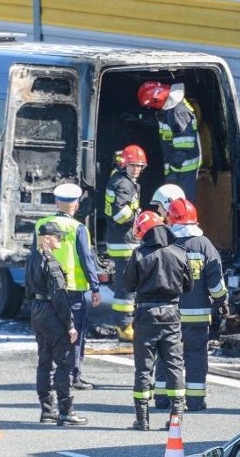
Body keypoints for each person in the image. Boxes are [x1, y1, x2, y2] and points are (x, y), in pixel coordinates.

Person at [151, 196, 228, 412]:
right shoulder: (204, 245)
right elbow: (216, 281)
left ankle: (163, 398)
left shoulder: (164, 243)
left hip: (168, 315)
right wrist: (222, 301)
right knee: (195, 357)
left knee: (167, 354)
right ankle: (195, 401)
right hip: (198, 317)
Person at [122, 210, 193, 430]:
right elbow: (188, 286)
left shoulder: (139, 254)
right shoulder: (180, 253)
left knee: (143, 368)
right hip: (171, 315)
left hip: (145, 316)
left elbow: (128, 284)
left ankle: (142, 419)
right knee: (174, 366)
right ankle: (176, 418)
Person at [34, 182, 102, 391]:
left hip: (46, 290)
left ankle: (50, 373)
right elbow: (86, 258)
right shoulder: (78, 228)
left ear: (56, 202)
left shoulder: (40, 224)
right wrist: (95, 286)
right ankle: (73, 375)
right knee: (75, 332)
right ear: (76, 205)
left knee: (49, 333)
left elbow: (34, 258)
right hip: (72, 289)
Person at [25, 221, 88, 426]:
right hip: (52, 313)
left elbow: (27, 289)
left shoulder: (32, 259)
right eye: (58, 237)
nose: (60, 240)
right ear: (47, 239)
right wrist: (70, 325)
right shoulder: (50, 263)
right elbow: (60, 297)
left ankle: (46, 410)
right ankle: (66, 411)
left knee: (44, 363)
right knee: (64, 363)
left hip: (37, 311)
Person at [104, 144, 147, 342]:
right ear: (124, 165)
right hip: (125, 242)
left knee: (127, 285)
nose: (136, 169)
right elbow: (120, 214)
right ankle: (123, 326)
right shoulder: (124, 184)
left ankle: (126, 323)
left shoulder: (119, 179)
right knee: (126, 288)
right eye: (133, 165)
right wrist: (139, 220)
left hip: (122, 241)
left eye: (139, 166)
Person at [137, 81, 201, 201]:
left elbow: (183, 146)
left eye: (151, 105)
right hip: (178, 168)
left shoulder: (178, 112)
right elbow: (163, 123)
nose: (151, 108)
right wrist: (141, 119)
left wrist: (173, 172)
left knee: (182, 203)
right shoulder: (169, 109)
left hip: (183, 170)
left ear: (157, 100)